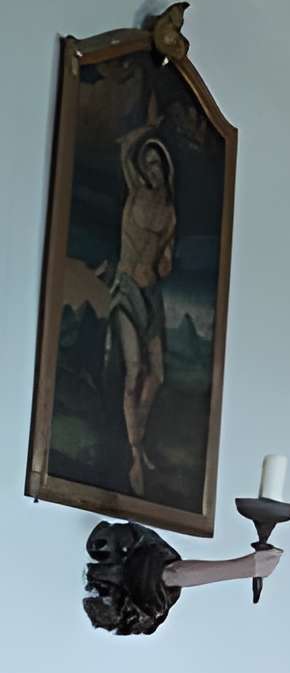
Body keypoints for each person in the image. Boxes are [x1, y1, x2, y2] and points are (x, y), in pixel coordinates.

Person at [94, 134, 179, 492]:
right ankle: (133, 456)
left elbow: (165, 261)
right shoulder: (134, 195)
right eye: (146, 164)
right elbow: (126, 151)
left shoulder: (170, 213)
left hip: (151, 294)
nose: (151, 170)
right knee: (134, 370)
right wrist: (148, 129)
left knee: (156, 375)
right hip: (127, 289)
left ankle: (138, 440)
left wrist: (164, 261)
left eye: (156, 163)